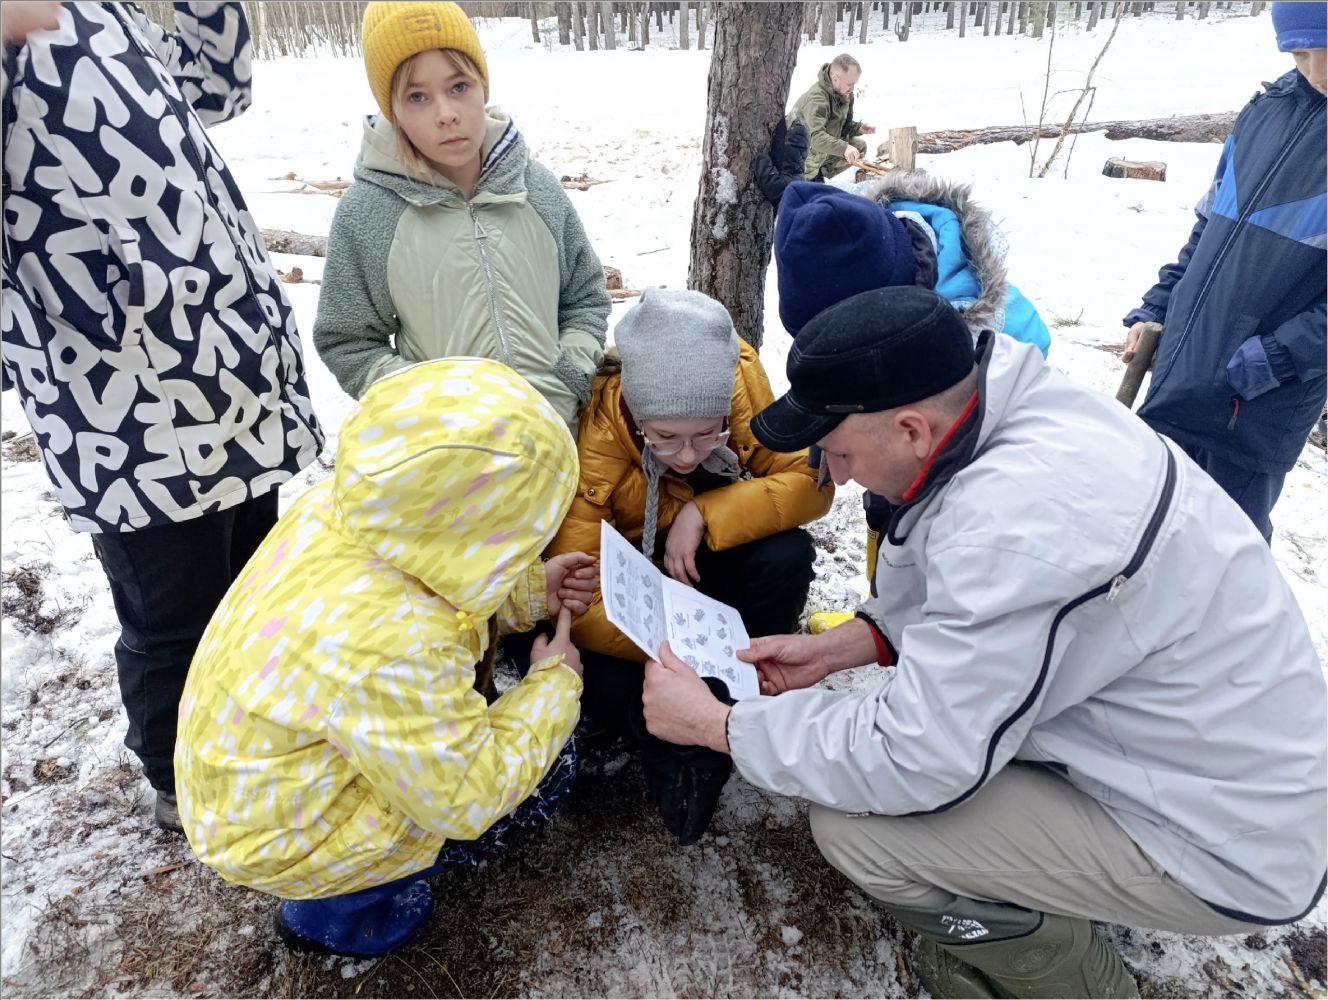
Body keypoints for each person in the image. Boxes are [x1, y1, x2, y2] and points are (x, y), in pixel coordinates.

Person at [641, 286, 1326, 999]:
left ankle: (1071, 980)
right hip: (1201, 753)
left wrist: (720, 726)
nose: (836, 474)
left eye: (839, 452)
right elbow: (964, 576)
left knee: (859, 832)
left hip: (1225, 841)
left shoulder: (1019, 525)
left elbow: (919, 758)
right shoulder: (999, 408)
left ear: (910, 430)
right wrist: (846, 646)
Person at [1, 2, 325, 832]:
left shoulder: (107, 13)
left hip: (230, 374)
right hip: (123, 412)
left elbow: (220, 84)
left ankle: (251, 740)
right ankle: (180, 783)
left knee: (254, 587)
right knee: (172, 617)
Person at [176, 358, 599, 958]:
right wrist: (553, 685)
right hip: (277, 838)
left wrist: (530, 590)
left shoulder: (346, 512)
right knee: (533, 778)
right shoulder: (397, 649)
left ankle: (341, 881)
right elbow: (468, 794)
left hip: (244, 787)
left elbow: (432, 582)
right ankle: (338, 911)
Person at [545, 289, 833, 845]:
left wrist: (705, 512)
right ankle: (684, 731)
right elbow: (579, 590)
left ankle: (733, 691)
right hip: (632, 589)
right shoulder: (597, 428)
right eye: (664, 438)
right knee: (600, 677)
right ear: (636, 413)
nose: (686, 455)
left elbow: (810, 480)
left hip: (697, 561)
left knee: (787, 555)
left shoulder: (737, 381)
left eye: (707, 434)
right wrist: (680, 655)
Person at [755, 160, 1051, 623]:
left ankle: (920, 623)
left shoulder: (975, 328)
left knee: (926, 521)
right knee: (882, 502)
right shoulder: (864, 239)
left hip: (965, 453)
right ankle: (885, 614)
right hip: (900, 435)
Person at [313, 1, 611, 431]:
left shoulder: (536, 189)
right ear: (392, 110)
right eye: (417, 96)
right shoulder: (369, 212)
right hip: (447, 453)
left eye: (458, 87)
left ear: (482, 87)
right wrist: (430, 407)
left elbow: (584, 298)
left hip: (556, 435)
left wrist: (568, 375)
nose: (446, 114)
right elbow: (348, 341)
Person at [1121, 0, 1326, 543]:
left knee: (1226, 555)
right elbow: (1210, 227)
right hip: (1181, 375)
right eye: (1301, 54)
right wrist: (1157, 307)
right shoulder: (1265, 111)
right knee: (1145, 535)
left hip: (1257, 405)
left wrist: (1277, 357)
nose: (1317, 72)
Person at [790, 53, 876, 182]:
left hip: (818, 151)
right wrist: (844, 148)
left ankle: (820, 173)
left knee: (858, 147)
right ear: (835, 79)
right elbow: (815, 138)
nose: (852, 89)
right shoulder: (817, 99)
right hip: (798, 156)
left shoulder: (845, 93)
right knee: (846, 148)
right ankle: (809, 177)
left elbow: (842, 126)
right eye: (850, 84)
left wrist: (857, 128)